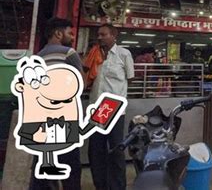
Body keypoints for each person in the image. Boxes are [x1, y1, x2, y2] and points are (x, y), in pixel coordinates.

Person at [30, 17, 85, 190]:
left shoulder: (37, 57)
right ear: (58, 33)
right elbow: (81, 83)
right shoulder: (68, 53)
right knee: (71, 167)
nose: (72, 37)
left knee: (43, 169)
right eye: (70, 33)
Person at [88, 24, 134, 190]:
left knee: (116, 149)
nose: (99, 37)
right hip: (97, 108)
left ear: (114, 36)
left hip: (113, 108)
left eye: (103, 34)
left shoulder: (124, 54)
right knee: (96, 150)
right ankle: (100, 185)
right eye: (98, 34)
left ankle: (118, 186)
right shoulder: (94, 54)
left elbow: (130, 78)